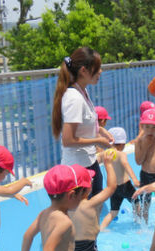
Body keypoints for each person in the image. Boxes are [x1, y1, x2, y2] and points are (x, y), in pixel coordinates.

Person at [52, 47, 112, 198]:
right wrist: (98, 141)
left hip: (88, 163)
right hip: (78, 170)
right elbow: (68, 140)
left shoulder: (82, 92)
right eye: (97, 68)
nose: (101, 72)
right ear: (84, 71)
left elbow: (85, 125)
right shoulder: (74, 98)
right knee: (85, 217)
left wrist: (101, 132)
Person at [100, 127, 141, 231]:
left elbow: (95, 161)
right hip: (125, 186)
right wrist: (135, 179)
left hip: (113, 188)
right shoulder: (121, 154)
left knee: (113, 212)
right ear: (122, 144)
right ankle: (139, 224)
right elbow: (125, 164)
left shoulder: (104, 154)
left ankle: (102, 228)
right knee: (137, 204)